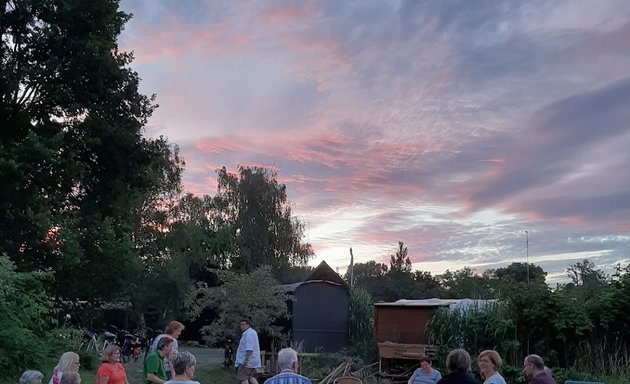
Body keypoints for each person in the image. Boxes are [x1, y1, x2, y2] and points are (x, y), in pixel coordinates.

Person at [235, 318, 261, 384]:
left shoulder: (249, 334)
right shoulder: (252, 332)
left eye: (243, 324)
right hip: (252, 361)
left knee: (243, 379)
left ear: (248, 325)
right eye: (241, 325)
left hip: (246, 361)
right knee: (251, 377)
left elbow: (249, 349)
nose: (242, 326)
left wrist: (246, 360)